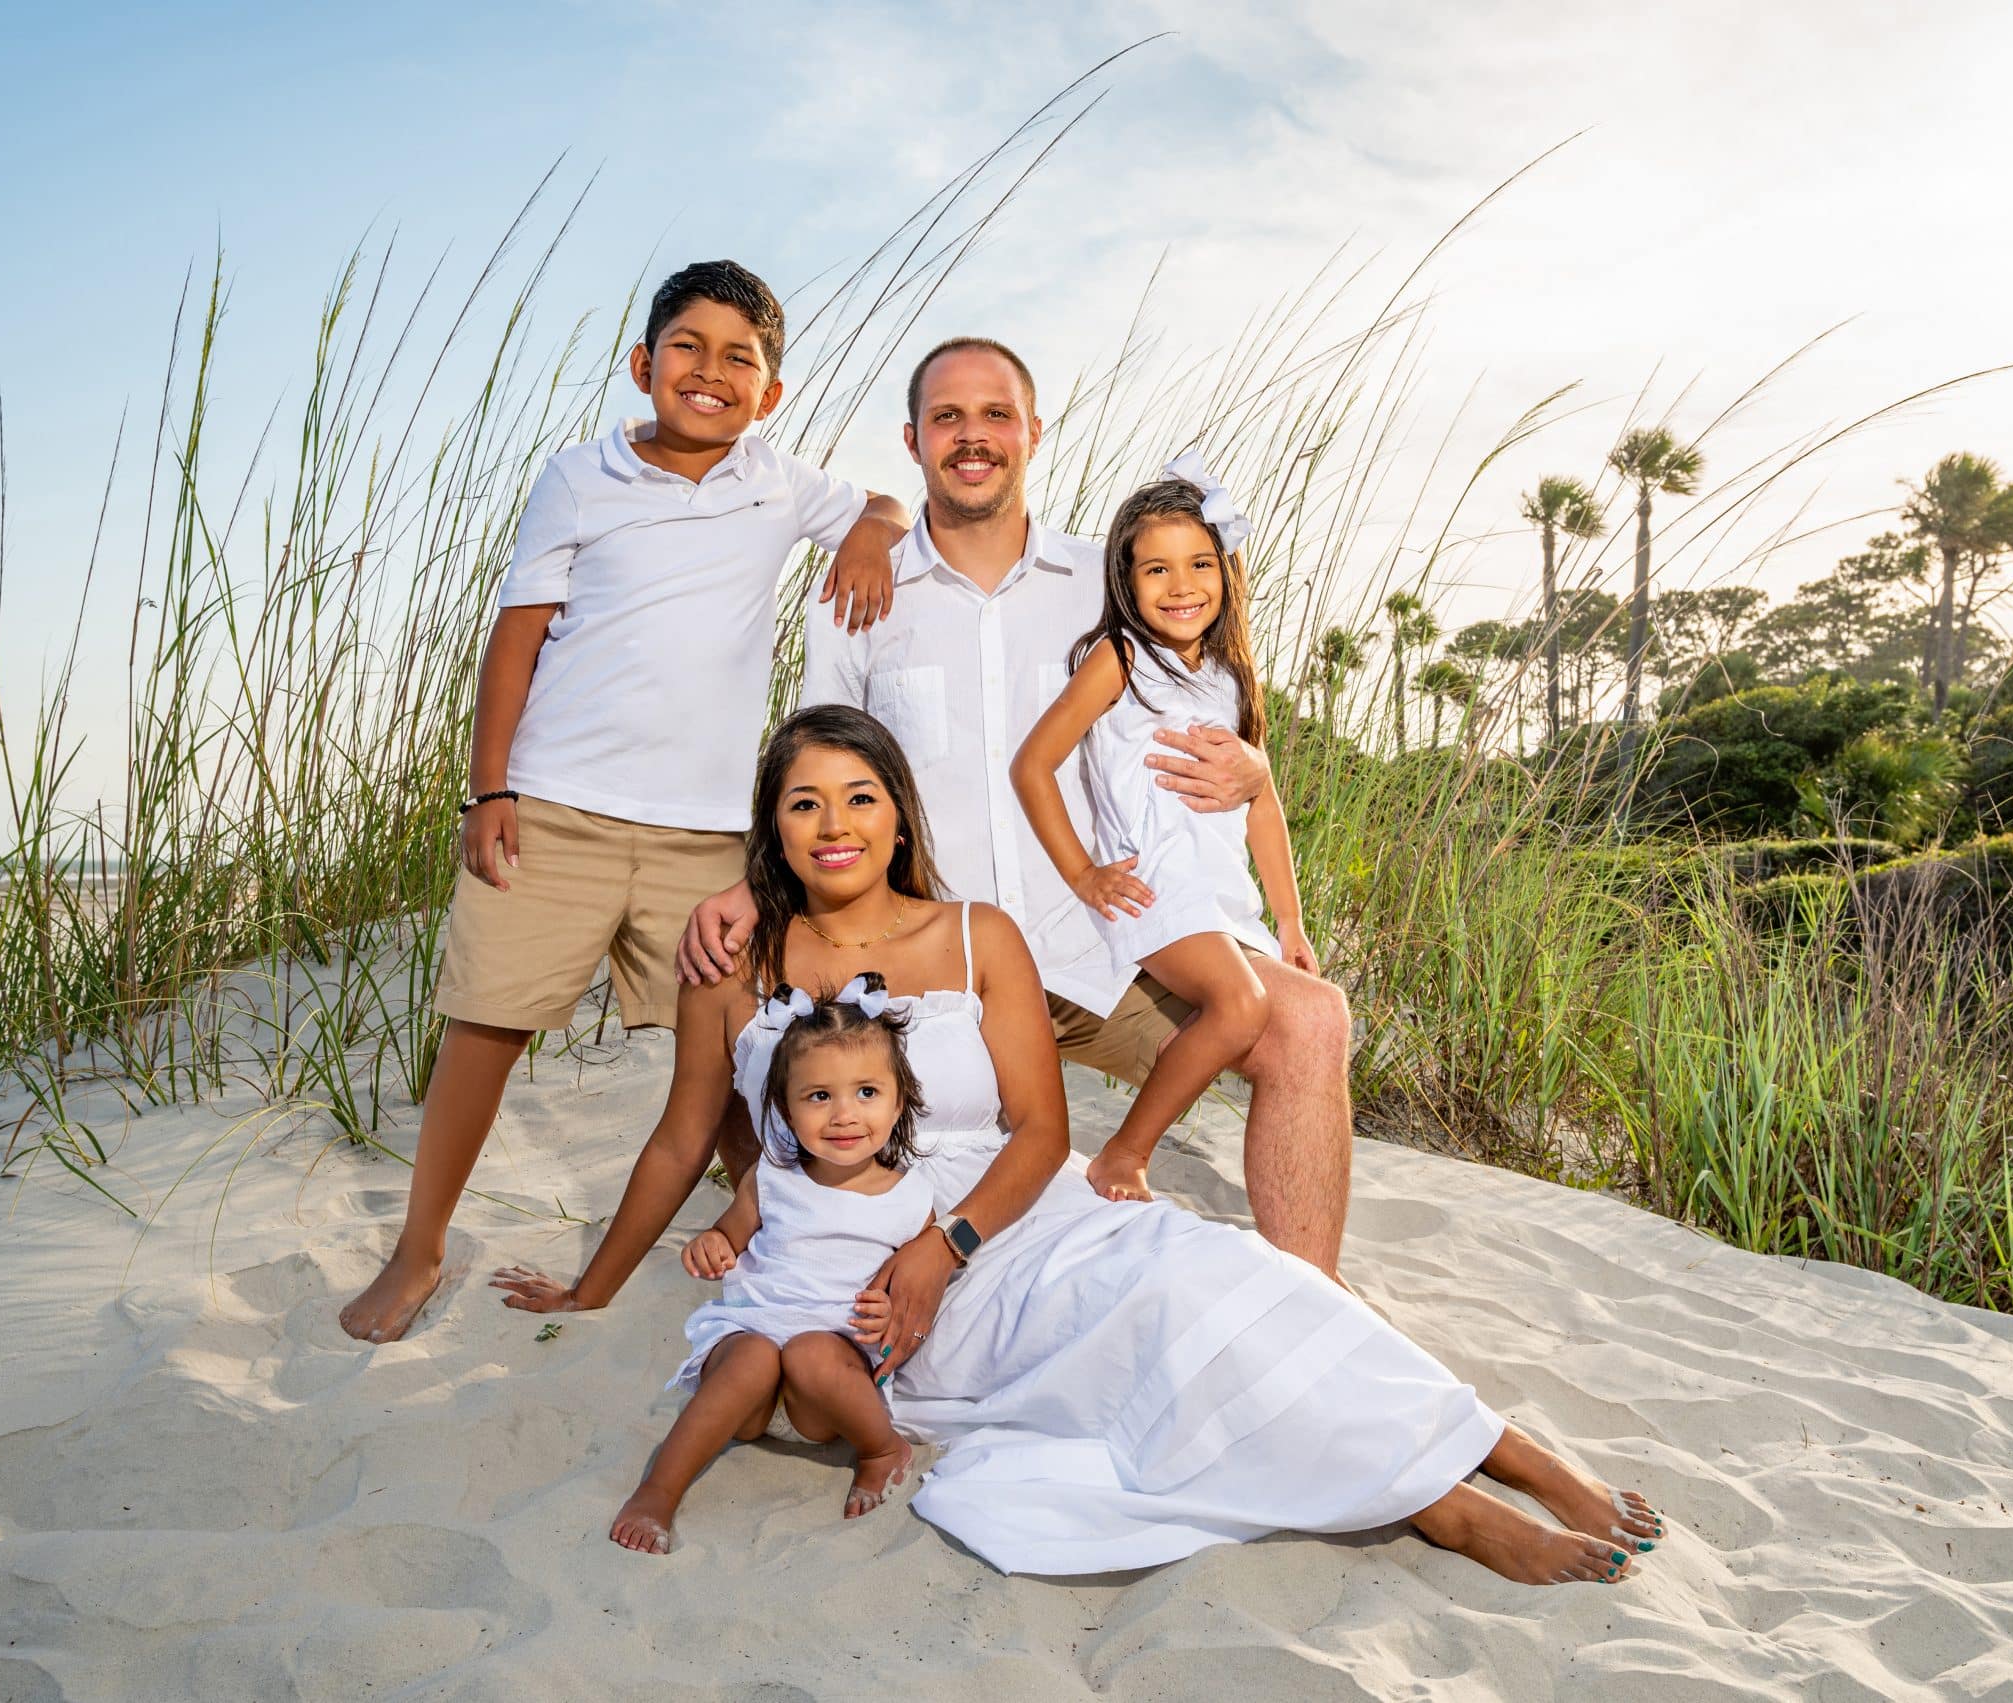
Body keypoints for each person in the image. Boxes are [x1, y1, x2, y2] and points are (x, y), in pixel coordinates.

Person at [497, 706, 1667, 1581]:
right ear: (773, 828)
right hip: (857, 1273)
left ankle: (1504, 1447)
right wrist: (592, 1283)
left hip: (1012, 1215)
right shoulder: (734, 965)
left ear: (899, 811)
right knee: (1161, 1342)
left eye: (859, 796)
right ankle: (1443, 1507)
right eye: (803, 802)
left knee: (1230, 1272)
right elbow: (676, 1139)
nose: (834, 824)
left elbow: (1042, 1128)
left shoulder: (975, 935)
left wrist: (944, 1243)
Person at [677, 337, 1355, 1278]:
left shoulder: (1106, 582)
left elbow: (1209, 686)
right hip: (932, 967)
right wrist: (755, 884)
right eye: (947, 417)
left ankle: (1314, 1305)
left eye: (996, 414)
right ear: (912, 440)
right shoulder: (856, 594)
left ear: (1033, 433)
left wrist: (1250, 767)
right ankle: (788, 1261)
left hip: (1095, 945)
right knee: (725, 986)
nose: (973, 436)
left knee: (1311, 1021)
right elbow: (812, 761)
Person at [338, 260, 913, 1343]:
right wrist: (490, 786)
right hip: (555, 805)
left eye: (739, 358)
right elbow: (516, 635)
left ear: (769, 392)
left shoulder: (779, 482)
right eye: (687, 349)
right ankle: (418, 1250)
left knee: (747, 1055)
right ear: (645, 364)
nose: (711, 372)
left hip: (706, 837)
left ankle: (784, 1235)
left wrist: (878, 524)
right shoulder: (576, 478)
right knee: (486, 1028)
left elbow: (880, 502)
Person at [1011, 454, 1313, 1203]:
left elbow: (1262, 804)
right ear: (1125, 578)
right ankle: (1124, 1154)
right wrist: (1084, 872)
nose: (1182, 586)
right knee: (1240, 1006)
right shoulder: (1120, 658)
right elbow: (1032, 765)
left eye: (1200, 563)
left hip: (1220, 896)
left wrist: (1291, 920)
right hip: (1155, 890)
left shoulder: (1234, 673)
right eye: (1156, 569)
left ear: (1227, 570)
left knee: (1282, 1017)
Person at [610, 975, 930, 1554]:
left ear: (898, 1100)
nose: (843, 1115)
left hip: (828, 1384)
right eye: (818, 1096)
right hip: (752, 1363)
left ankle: (882, 1448)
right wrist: (712, 1244)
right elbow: (730, 1233)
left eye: (866, 1093)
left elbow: (915, 1272)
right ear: (784, 1107)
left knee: (809, 1353)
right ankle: (659, 1489)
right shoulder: (773, 1177)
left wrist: (891, 1301)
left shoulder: (909, 1197)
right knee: (751, 1357)